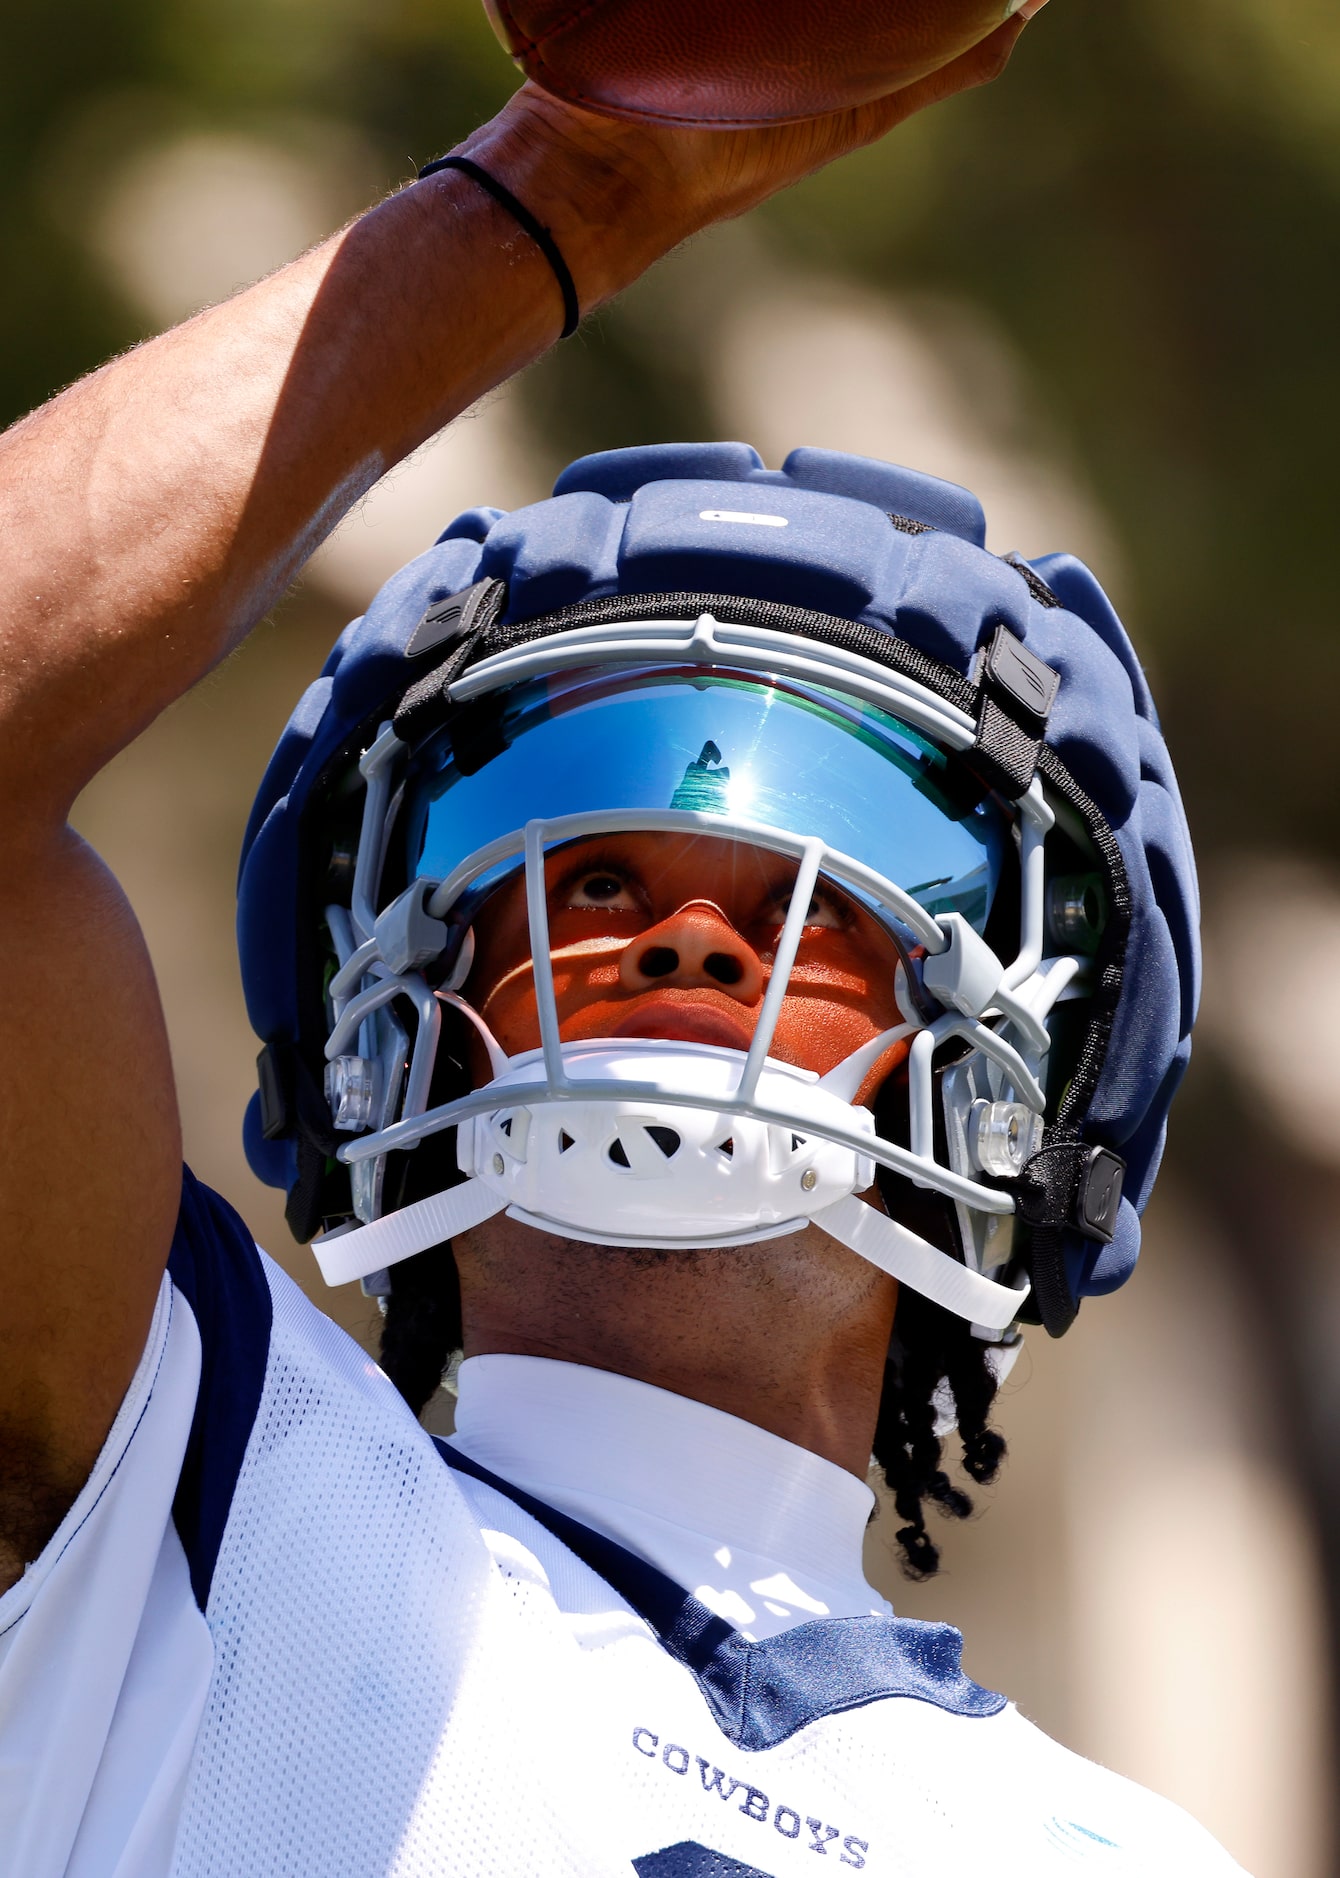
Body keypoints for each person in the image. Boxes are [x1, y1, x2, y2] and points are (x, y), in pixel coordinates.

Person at [0, 16, 1228, 1878]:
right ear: (398, 1003)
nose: (685, 943)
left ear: (1015, 1070)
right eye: (585, 879)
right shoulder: (185, 1479)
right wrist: (553, 198)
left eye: (819, 890)